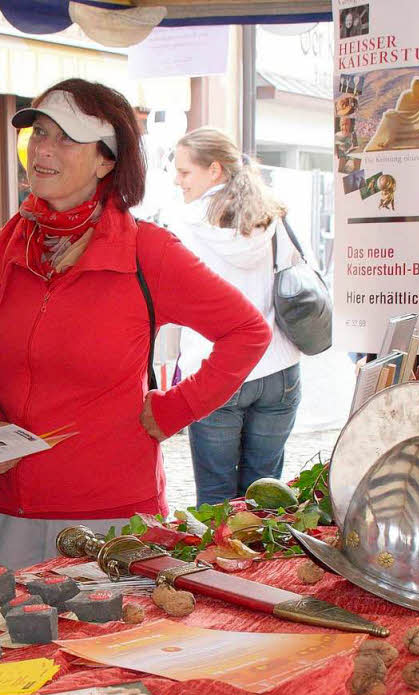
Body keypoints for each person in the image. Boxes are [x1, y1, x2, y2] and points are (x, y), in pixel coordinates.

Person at [0, 80, 271, 575]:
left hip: (112, 521)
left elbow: (247, 332)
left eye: (65, 138)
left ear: (106, 160)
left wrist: (172, 410)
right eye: (39, 132)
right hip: (5, 514)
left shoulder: (149, 251)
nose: (43, 148)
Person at [167, 127, 303, 505]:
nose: (178, 181)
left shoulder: (185, 223)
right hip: (278, 368)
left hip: (216, 370)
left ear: (213, 170)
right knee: (266, 497)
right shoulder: (272, 216)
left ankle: (219, 566)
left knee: (216, 501)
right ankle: (266, 565)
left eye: (184, 172)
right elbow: (294, 277)